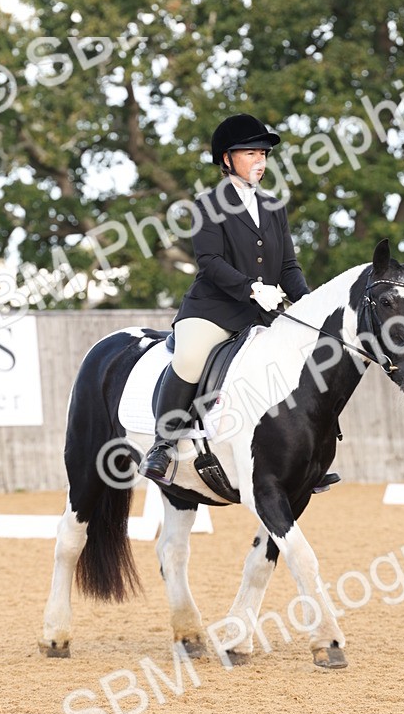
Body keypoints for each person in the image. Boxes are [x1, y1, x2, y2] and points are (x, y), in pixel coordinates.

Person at [138, 112, 339, 492]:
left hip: (260, 314)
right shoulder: (207, 204)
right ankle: (163, 444)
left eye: (263, 153)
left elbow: (289, 266)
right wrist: (250, 287)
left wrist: (309, 305)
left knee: (305, 361)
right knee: (190, 357)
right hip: (214, 309)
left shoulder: (274, 206)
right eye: (251, 153)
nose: (260, 161)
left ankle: (306, 458)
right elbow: (209, 262)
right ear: (227, 159)